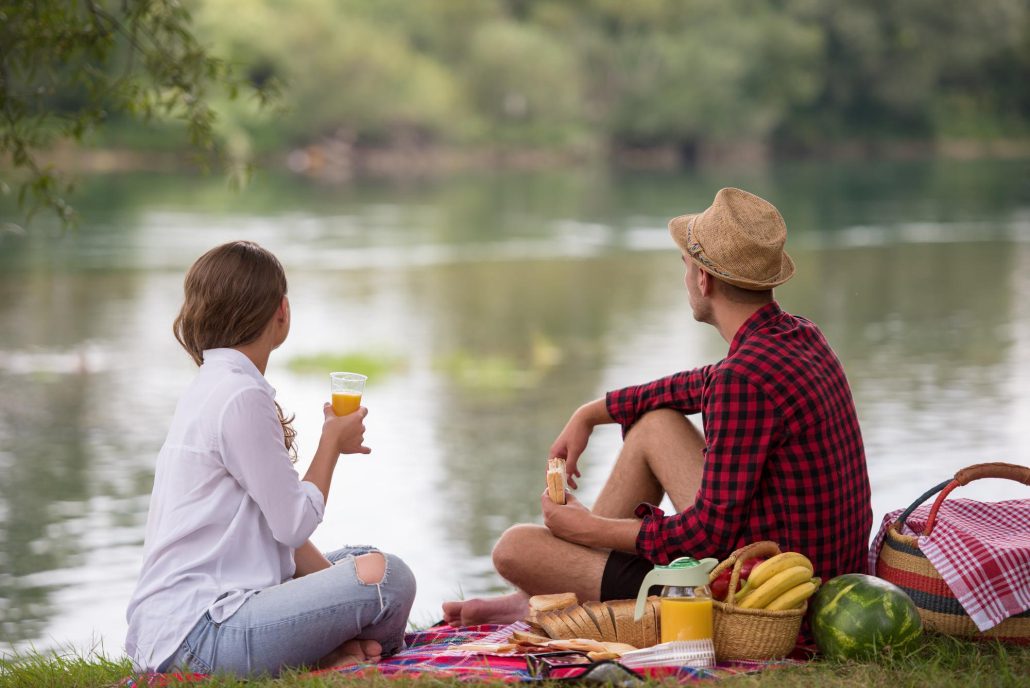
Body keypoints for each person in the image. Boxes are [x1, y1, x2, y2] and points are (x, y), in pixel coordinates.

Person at [443, 187, 872, 626]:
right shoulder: (799, 335)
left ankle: (556, 591)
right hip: (816, 567)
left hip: (768, 596)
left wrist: (588, 527)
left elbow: (706, 536)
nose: (685, 278)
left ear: (704, 279)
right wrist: (591, 412)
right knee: (655, 425)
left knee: (514, 548)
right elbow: (700, 383)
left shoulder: (742, 380)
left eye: (685, 265)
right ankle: (554, 591)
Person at [126, 241, 416, 676]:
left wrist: (340, 582)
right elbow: (294, 524)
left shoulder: (214, 383)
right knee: (390, 578)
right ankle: (333, 652)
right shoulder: (240, 395)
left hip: (182, 625)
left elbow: (282, 537)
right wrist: (331, 444)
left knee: (363, 558)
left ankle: (331, 650)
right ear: (282, 310)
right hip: (202, 634)